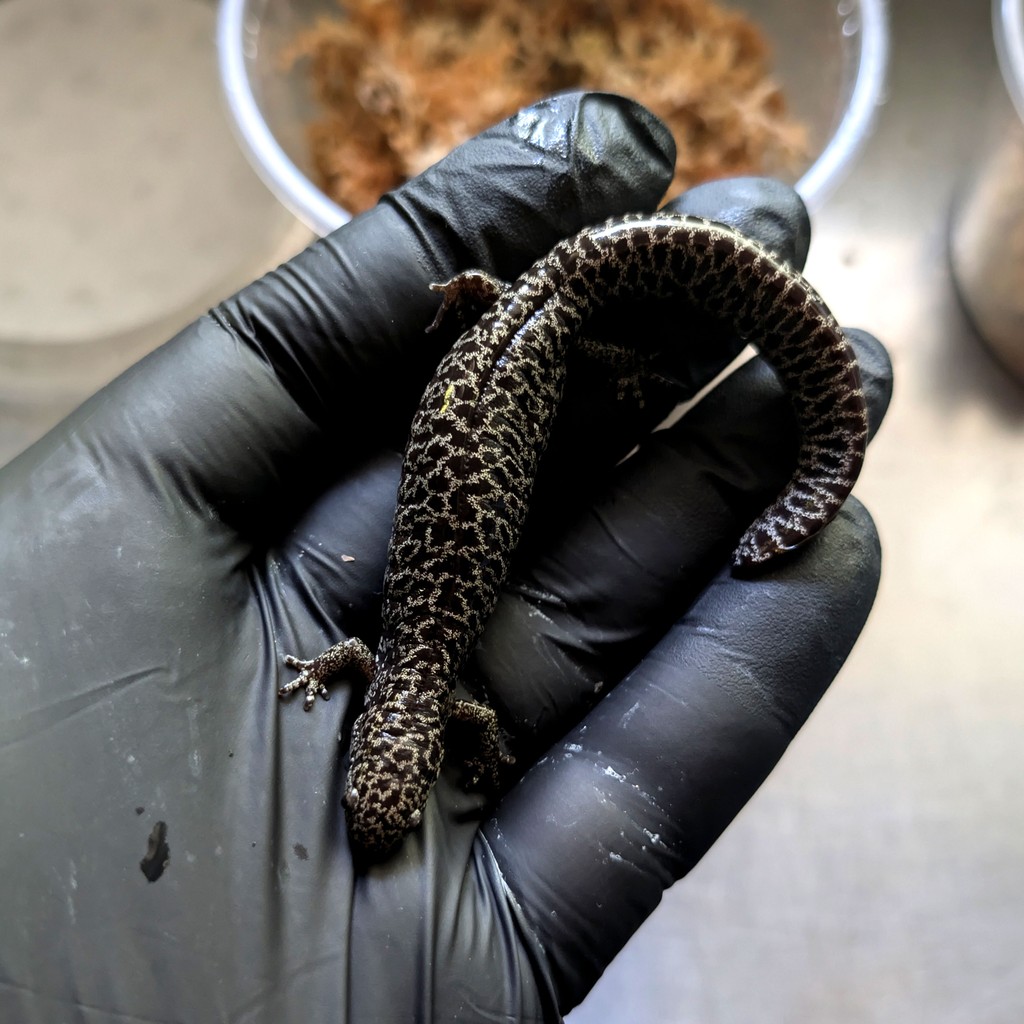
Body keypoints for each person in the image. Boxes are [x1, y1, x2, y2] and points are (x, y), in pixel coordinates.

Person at [0, 92, 890, 1022]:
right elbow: (372, 679)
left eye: (362, 797)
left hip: (541, 326)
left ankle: (777, 421)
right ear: (405, 743)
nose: (367, 813)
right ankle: (553, 329)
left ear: (397, 740)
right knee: (565, 322)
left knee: (583, 329)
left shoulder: (423, 688)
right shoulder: (378, 669)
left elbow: (458, 720)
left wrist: (489, 748)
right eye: (386, 798)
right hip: (521, 320)